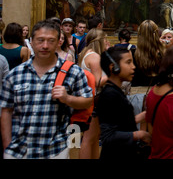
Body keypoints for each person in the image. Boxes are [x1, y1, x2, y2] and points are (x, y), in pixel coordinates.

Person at [0, 20, 93, 159]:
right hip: (19, 151)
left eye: (51, 41)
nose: (45, 46)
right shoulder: (15, 75)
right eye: (40, 40)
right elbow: (6, 111)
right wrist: (7, 146)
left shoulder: (73, 72)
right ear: (31, 42)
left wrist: (68, 98)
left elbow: (87, 100)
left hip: (56, 150)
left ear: (58, 42)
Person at [96, 47, 151, 159]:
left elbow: (119, 123)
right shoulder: (110, 94)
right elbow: (108, 136)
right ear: (114, 68)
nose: (133, 67)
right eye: (128, 62)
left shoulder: (115, 91)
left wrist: (142, 116)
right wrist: (139, 134)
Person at [77, 28, 110, 159]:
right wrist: (112, 75)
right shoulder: (95, 57)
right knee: (89, 138)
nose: (107, 41)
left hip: (90, 99)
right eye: (105, 39)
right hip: (94, 100)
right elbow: (98, 81)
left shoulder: (85, 53)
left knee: (94, 138)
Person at [131, 20, 164, 87]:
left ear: (139, 34)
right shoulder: (163, 53)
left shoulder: (132, 53)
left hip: (137, 92)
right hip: (158, 91)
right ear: (157, 33)